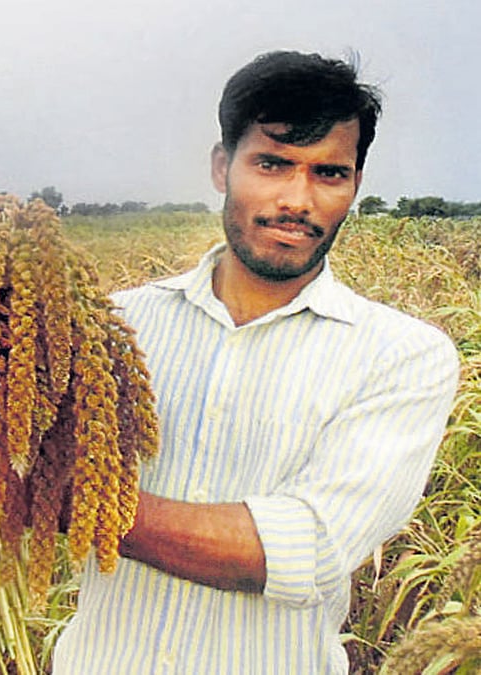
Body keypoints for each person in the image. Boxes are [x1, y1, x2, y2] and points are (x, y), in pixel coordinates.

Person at [51, 50, 460, 674]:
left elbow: (304, 550)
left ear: (354, 186)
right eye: (272, 164)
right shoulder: (110, 327)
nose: (297, 199)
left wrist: (56, 498)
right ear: (223, 167)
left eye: (329, 173)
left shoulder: (403, 356)